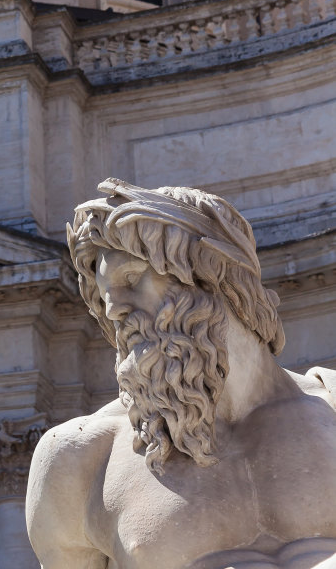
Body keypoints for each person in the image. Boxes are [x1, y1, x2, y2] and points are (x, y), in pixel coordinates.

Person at [25, 178, 336, 569]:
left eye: (132, 280)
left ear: (211, 274)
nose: (114, 310)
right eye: (106, 298)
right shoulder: (81, 458)